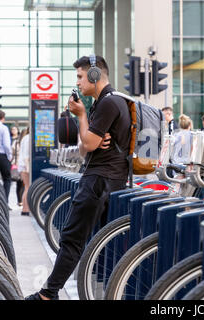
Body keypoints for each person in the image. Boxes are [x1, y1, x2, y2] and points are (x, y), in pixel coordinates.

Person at [25, 54, 131, 300]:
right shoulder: (109, 102)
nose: (79, 83)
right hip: (107, 179)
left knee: (72, 238)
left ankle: (48, 295)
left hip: (98, 181)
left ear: (95, 75)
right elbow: (84, 147)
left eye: (81, 77)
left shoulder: (107, 104)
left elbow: (89, 144)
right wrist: (88, 132)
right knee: (90, 241)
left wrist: (82, 117)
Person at [17, 128, 30, 216]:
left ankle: (25, 209)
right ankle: (25, 209)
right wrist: (28, 167)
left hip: (23, 165)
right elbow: (26, 155)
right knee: (28, 187)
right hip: (25, 165)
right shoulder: (28, 138)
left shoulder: (25, 138)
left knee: (27, 187)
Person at [10, 126, 24, 206]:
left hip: (18, 163)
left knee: (20, 183)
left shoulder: (16, 142)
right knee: (20, 183)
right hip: (19, 163)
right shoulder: (16, 142)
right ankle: (20, 200)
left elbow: (11, 152)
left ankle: (20, 200)